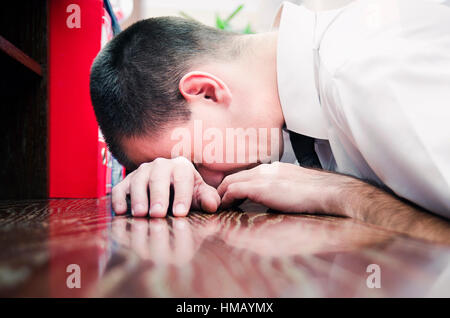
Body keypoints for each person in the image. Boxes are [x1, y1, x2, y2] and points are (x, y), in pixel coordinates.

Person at [89, 0, 450, 221]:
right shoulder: (286, 118)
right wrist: (171, 181)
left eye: (196, 162)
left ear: (206, 92)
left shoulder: (363, 75)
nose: (207, 186)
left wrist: (342, 194)